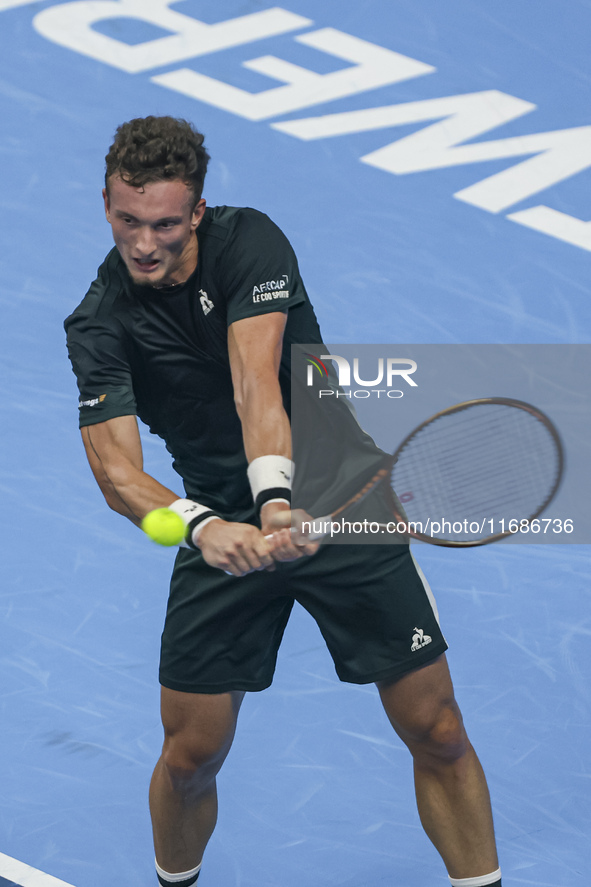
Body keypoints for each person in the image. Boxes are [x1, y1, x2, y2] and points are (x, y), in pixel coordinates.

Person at [64, 116, 502, 887]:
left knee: (436, 729)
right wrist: (201, 527)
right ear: (105, 203)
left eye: (165, 222)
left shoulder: (250, 243)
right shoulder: (99, 321)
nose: (144, 242)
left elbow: (254, 381)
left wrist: (274, 499)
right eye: (128, 220)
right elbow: (116, 475)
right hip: (221, 532)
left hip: (339, 498)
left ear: (196, 212)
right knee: (189, 755)